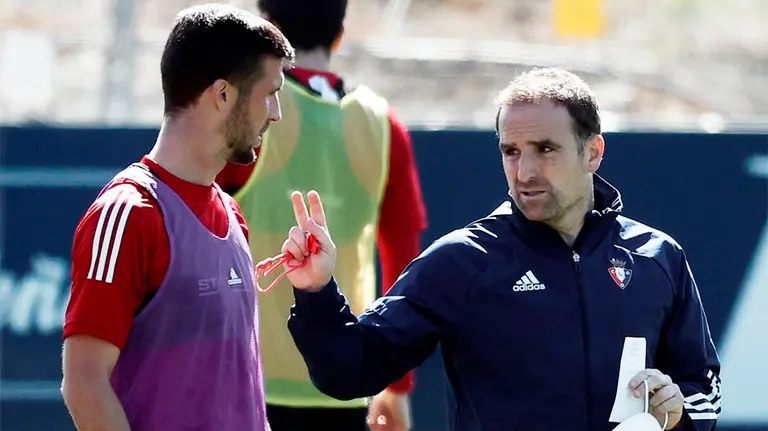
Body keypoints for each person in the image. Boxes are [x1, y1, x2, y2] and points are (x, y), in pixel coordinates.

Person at [277, 68, 722, 430]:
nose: (525, 171)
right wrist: (317, 292)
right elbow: (353, 369)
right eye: (511, 151)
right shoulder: (463, 260)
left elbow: (703, 390)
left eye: (545, 149)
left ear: (593, 152)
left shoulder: (657, 257)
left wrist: (678, 413)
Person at [60, 4, 294, 431]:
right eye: (269, 93)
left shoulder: (231, 212)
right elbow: (84, 384)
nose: (276, 112)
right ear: (222, 94)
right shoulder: (128, 213)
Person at [214, 0, 427, 430]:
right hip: (347, 382)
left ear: (268, 28)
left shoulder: (252, 112)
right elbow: (406, 266)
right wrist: (397, 385)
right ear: (340, 33)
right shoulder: (386, 124)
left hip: (244, 383)